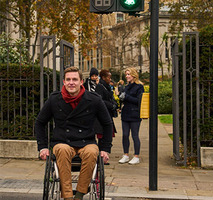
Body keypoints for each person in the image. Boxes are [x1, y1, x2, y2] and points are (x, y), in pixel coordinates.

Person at [35, 66, 113, 200]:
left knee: (91, 152)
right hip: (62, 141)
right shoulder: (55, 99)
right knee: (63, 149)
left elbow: (107, 124)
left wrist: (105, 149)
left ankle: (79, 194)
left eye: (75, 79)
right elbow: (39, 122)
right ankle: (68, 196)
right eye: (68, 79)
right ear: (64, 82)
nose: (71, 82)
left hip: (86, 141)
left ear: (81, 81)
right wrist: (42, 147)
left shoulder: (94, 99)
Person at [118, 67, 144, 165]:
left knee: (135, 135)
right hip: (126, 113)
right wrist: (121, 97)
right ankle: (125, 154)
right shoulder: (126, 86)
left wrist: (126, 97)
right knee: (125, 135)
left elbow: (139, 101)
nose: (127, 76)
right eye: (126, 74)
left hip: (135, 114)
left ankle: (136, 156)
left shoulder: (139, 87)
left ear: (133, 75)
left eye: (128, 74)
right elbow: (125, 99)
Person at [94, 69, 117, 139]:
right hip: (103, 116)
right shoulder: (100, 87)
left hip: (108, 113)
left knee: (108, 137)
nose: (110, 79)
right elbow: (100, 100)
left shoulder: (107, 86)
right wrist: (111, 105)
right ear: (103, 77)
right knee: (104, 138)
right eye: (109, 77)